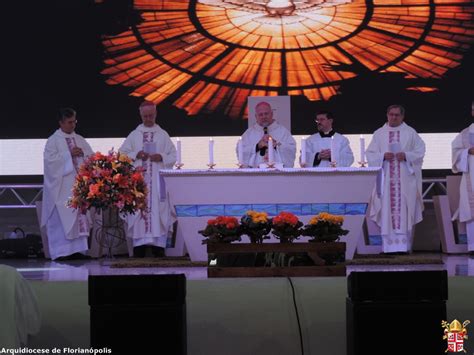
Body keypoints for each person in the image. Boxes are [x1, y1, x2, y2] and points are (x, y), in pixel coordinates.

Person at [119, 101, 177, 257]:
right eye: (145, 116)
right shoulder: (134, 135)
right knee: (138, 211)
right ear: (141, 115)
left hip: (158, 183)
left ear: (156, 114)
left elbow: (173, 155)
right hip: (139, 183)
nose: (148, 118)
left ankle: (158, 247)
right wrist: (136, 154)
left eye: (151, 115)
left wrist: (161, 156)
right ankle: (139, 246)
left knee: (159, 211)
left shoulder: (163, 134)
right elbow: (121, 154)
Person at [366, 104, 425, 254]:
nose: (393, 117)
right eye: (391, 114)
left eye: (397, 115)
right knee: (386, 210)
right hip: (386, 181)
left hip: (405, 181)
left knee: (404, 210)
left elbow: (420, 151)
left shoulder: (410, 133)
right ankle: (388, 248)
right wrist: (382, 156)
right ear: (387, 115)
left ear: (402, 116)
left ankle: (403, 247)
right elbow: (371, 154)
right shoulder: (379, 133)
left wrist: (406, 155)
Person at [41, 108, 94, 260]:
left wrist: (83, 155)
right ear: (61, 123)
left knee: (79, 217)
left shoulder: (80, 139)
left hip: (79, 188)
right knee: (62, 218)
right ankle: (62, 252)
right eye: (69, 122)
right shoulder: (53, 140)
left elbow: (91, 157)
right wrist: (68, 155)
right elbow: (50, 163)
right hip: (61, 189)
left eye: (74, 122)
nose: (73, 125)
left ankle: (79, 250)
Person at [238, 101, 296, 167]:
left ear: (271, 114)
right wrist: (257, 146)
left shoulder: (282, 131)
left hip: (277, 173)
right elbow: (241, 150)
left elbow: (291, 149)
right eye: (260, 114)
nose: (264, 117)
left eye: (266, 114)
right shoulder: (249, 133)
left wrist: (276, 144)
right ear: (256, 116)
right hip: (256, 174)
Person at [451, 100, 474, 255]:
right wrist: (468, 152)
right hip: (470, 178)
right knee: (471, 212)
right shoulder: (465, 134)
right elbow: (456, 153)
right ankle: (473, 246)